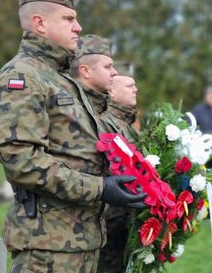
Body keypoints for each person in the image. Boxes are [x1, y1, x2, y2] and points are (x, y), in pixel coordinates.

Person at [0, 0, 145, 272]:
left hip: (81, 240)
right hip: (48, 247)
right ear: (40, 23)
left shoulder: (60, 80)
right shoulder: (22, 78)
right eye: (69, 18)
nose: (78, 27)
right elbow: (23, 163)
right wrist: (101, 188)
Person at [71, 36, 142, 273]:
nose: (136, 90)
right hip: (95, 221)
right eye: (108, 67)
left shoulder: (112, 120)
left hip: (110, 216)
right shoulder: (87, 115)